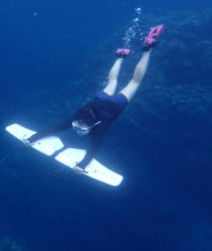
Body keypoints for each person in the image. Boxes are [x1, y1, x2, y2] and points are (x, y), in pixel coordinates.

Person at [24, 25, 164, 174]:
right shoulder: (77, 119)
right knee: (113, 82)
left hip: (114, 104)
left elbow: (94, 146)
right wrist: (32, 138)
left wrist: (82, 165)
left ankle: (143, 51)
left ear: (93, 124)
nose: (78, 129)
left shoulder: (99, 125)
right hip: (101, 100)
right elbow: (55, 128)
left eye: (81, 128)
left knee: (133, 82)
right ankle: (123, 56)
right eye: (77, 126)